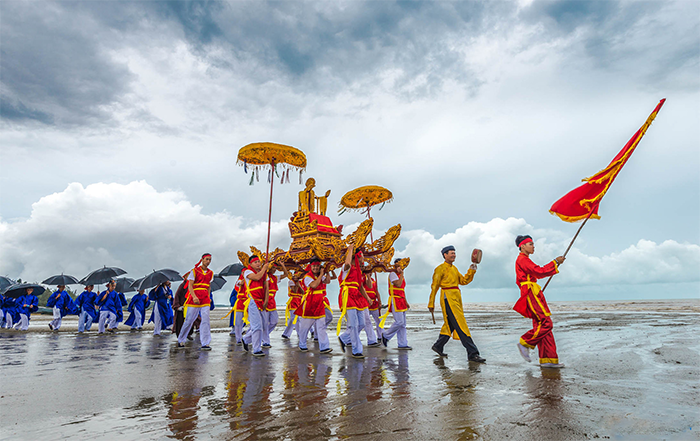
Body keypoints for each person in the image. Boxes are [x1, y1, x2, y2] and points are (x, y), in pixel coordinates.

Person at [513, 235, 566, 368]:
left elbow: (536, 273)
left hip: (534, 290)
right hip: (530, 292)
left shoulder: (525, 260)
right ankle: (525, 342)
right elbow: (539, 271)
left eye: (533, 244)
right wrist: (555, 262)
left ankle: (548, 359)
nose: (533, 246)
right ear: (522, 246)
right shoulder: (522, 259)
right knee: (546, 323)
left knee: (541, 326)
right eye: (530, 244)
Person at [428, 246, 486, 363]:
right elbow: (434, 286)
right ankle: (473, 353)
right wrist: (431, 303)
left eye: (454, 253)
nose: (454, 255)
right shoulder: (440, 269)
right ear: (445, 255)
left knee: (450, 325)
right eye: (451, 253)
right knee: (461, 324)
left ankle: (438, 345)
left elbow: (464, 281)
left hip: (456, 298)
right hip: (447, 298)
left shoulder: (454, 269)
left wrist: (472, 270)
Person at [337, 244, 374, 359]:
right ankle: (356, 350)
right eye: (362, 256)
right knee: (353, 325)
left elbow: (360, 286)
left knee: (362, 323)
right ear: (356, 257)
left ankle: (344, 338)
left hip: (357, 297)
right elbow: (347, 263)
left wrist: (367, 298)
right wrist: (350, 249)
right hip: (348, 295)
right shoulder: (346, 268)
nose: (363, 259)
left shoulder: (358, 271)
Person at [177, 253, 214, 350]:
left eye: (210, 259)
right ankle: (181, 339)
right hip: (195, 297)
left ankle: (205, 343)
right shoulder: (194, 271)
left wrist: (209, 296)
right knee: (189, 320)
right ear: (202, 260)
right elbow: (190, 285)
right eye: (206, 259)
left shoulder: (210, 273)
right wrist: (194, 296)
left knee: (206, 320)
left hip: (205, 298)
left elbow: (209, 286)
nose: (208, 261)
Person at [295, 259, 333, 354]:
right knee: (305, 327)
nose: (315, 268)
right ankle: (302, 344)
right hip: (310, 303)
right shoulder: (308, 277)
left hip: (319, 303)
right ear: (311, 267)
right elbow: (314, 285)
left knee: (321, 327)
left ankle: (324, 347)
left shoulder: (320, 276)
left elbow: (328, 281)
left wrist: (327, 271)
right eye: (314, 266)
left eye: (317, 266)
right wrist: (321, 275)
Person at [240, 255, 270, 356]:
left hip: (261, 302)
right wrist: (264, 269)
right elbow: (257, 277)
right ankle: (257, 349)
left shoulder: (264, 274)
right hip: (252, 301)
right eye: (255, 262)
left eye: (259, 262)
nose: (258, 263)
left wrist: (266, 300)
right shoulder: (247, 272)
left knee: (264, 325)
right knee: (257, 325)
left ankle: (246, 339)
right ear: (251, 264)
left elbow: (267, 288)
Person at [380, 260, 411, 349]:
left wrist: (406, 301)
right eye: (398, 266)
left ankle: (402, 343)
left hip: (401, 299)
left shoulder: (401, 276)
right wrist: (401, 274)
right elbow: (398, 284)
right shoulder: (392, 274)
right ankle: (386, 335)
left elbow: (402, 289)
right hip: (395, 299)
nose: (400, 268)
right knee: (399, 322)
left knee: (403, 324)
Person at [261, 266, 281, 349]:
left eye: (276, 268)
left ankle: (262, 336)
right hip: (265, 300)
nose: (275, 269)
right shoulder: (264, 276)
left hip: (272, 302)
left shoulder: (275, 277)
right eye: (273, 268)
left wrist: (282, 265)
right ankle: (265, 341)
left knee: (274, 321)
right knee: (264, 324)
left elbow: (286, 275)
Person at [281, 269, 303, 340]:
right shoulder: (291, 281)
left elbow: (303, 292)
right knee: (294, 318)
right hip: (293, 301)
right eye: (295, 275)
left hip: (299, 301)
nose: (296, 277)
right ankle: (288, 333)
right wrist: (297, 284)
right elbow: (294, 290)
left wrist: (299, 285)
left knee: (296, 319)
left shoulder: (300, 283)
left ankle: (288, 334)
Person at [363, 273, 383, 344]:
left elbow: (377, 292)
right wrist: (367, 276)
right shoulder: (364, 278)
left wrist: (380, 301)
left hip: (374, 304)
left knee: (379, 320)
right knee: (365, 322)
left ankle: (381, 336)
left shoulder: (374, 281)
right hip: (366, 303)